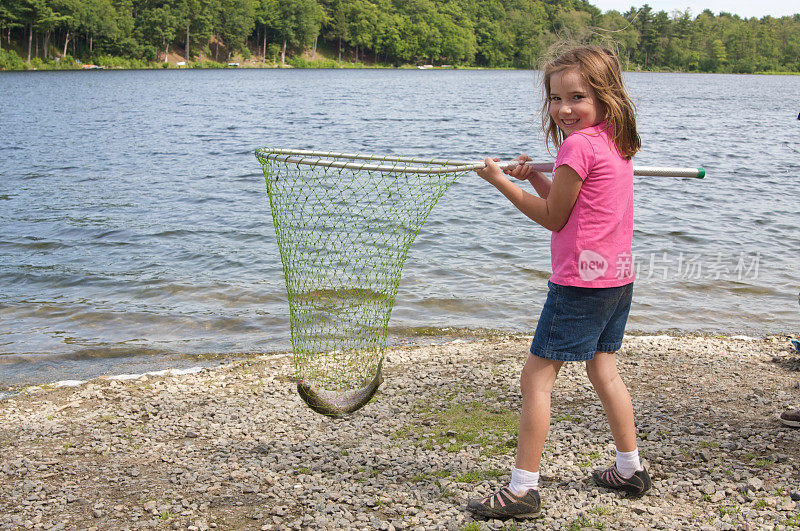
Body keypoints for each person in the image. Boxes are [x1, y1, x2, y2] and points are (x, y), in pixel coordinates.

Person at [467, 44, 650, 520]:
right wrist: (534, 179)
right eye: (555, 99)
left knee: (536, 379)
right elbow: (576, 208)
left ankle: (522, 490)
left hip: (580, 284)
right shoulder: (613, 139)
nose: (564, 109)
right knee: (602, 367)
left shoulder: (578, 145)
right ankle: (630, 468)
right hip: (615, 278)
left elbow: (551, 219)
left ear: (605, 97)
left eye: (577, 97)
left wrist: (502, 183)